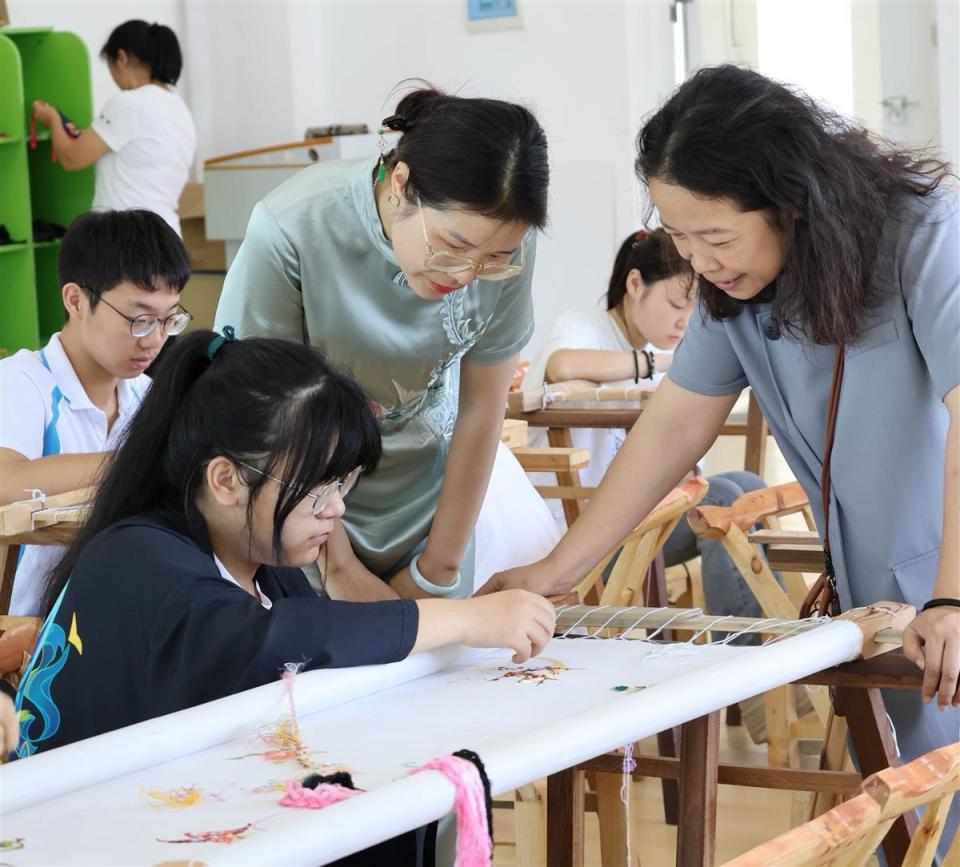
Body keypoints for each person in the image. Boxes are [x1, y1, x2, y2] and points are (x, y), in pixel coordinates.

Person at [481, 65, 959, 856]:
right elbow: (674, 425)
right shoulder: (732, 289)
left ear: (789, 200)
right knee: (912, 831)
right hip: (885, 601)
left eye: (716, 236)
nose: (699, 262)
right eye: (680, 239)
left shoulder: (920, 230)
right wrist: (556, 569)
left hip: (945, 582)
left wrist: (950, 596)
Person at [14, 329, 555, 760]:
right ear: (225, 480)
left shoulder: (259, 560)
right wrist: (462, 619)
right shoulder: (135, 557)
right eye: (318, 490)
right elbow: (267, 642)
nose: (336, 509)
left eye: (342, 485)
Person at [215, 85, 560, 602]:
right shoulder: (293, 227)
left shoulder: (507, 244)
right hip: (304, 508)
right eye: (453, 247)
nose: (469, 273)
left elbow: (481, 413)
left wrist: (439, 566)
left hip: (432, 509)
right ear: (401, 183)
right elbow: (265, 417)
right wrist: (339, 567)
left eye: (494, 258)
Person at [526, 228, 773, 622]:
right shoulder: (585, 328)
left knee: (749, 489)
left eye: (693, 311)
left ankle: (766, 644)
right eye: (677, 304)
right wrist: (657, 364)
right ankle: (746, 658)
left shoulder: (663, 349)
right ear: (635, 284)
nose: (684, 321)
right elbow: (563, 366)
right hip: (578, 535)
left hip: (638, 522)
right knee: (725, 498)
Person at [0, 209, 191, 615]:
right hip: (26, 634)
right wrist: (139, 462)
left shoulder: (145, 396)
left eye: (169, 319)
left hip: (109, 620)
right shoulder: (21, 382)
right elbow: (6, 482)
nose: (155, 339)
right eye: (139, 319)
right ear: (76, 300)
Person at [31, 20, 196, 235]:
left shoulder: (128, 103)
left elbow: (71, 158)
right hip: (168, 236)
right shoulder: (179, 108)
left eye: (111, 68)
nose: (115, 80)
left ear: (122, 58)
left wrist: (53, 119)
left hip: (126, 237)